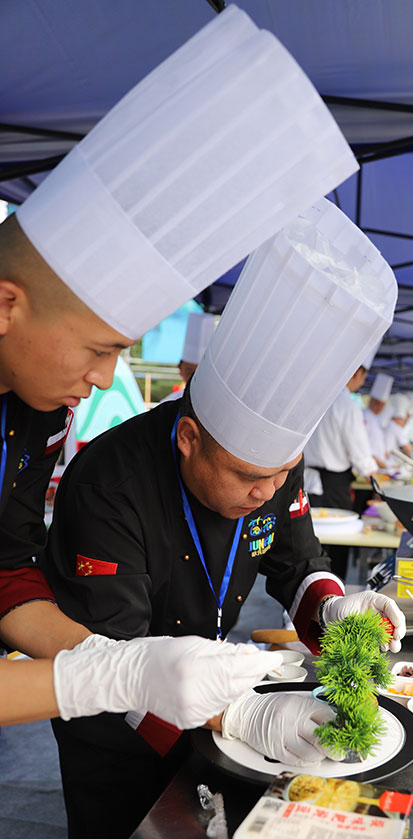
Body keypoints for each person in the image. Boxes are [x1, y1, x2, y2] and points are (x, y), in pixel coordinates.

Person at [0, 7, 357, 727]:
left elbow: (7, 570)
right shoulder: (110, 476)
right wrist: (106, 676)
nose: (105, 379)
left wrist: (116, 668)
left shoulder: (36, 416)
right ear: (7, 305)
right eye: (101, 348)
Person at [40, 198, 405, 839]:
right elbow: (109, 651)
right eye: (246, 475)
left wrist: (334, 611)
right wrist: (236, 719)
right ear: (189, 440)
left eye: (280, 473)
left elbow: (299, 561)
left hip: (205, 706)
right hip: (112, 723)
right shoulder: (108, 483)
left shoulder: (271, 468)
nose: (265, 490)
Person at [303, 362, 379, 577]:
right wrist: (378, 485)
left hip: (306, 480)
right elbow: (360, 455)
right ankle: (331, 597)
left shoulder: (314, 399)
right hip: (333, 486)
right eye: (364, 376)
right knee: (335, 546)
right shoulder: (346, 404)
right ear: (356, 372)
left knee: (309, 541)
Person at [158, 312, 215, 404]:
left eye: (200, 373)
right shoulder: (167, 405)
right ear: (180, 367)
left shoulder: (217, 403)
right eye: (189, 372)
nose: (194, 379)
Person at [363, 372, 394, 468]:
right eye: (379, 404)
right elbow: (363, 444)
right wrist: (378, 462)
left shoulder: (376, 418)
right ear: (372, 402)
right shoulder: (364, 417)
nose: (381, 408)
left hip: (378, 464)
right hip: (369, 464)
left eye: (382, 405)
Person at [383, 393, 413, 464]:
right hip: (390, 464)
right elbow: (407, 448)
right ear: (399, 418)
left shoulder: (387, 423)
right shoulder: (395, 427)